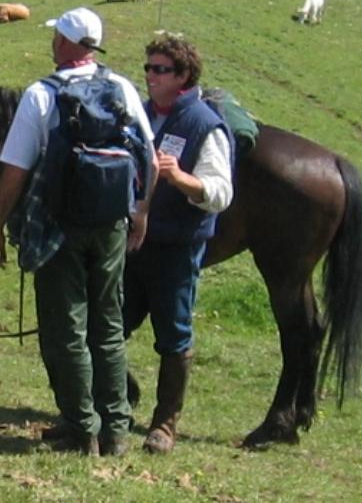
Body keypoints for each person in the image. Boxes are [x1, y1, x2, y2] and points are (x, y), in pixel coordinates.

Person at [0, 7, 155, 457]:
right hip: (113, 226)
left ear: (64, 43)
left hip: (59, 228)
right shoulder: (121, 87)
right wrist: (140, 211)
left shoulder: (42, 95)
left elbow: (16, 170)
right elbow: (150, 157)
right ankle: (116, 430)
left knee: (67, 329)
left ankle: (83, 430)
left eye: (57, 35)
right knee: (109, 325)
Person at [125, 32, 234, 453]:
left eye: (160, 69)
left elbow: (221, 193)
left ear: (184, 76)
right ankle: (115, 403)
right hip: (133, 243)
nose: (150, 76)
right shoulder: (140, 114)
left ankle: (164, 426)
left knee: (173, 333)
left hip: (176, 247)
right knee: (111, 323)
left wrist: (180, 177)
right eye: (148, 68)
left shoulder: (204, 125)